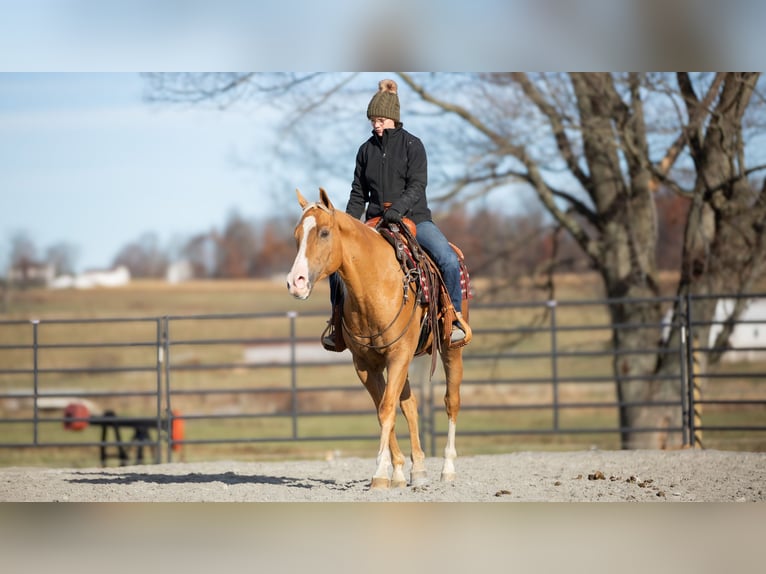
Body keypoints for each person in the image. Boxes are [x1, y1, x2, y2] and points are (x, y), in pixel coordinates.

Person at [322, 78, 471, 350]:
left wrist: (399, 210)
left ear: (392, 118)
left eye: (379, 120)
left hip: (415, 219)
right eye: (372, 121)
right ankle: (336, 323)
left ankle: (453, 319)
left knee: (448, 259)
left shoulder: (413, 146)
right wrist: (348, 225)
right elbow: (358, 193)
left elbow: (417, 185)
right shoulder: (365, 151)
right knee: (336, 264)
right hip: (375, 222)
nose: (375, 125)